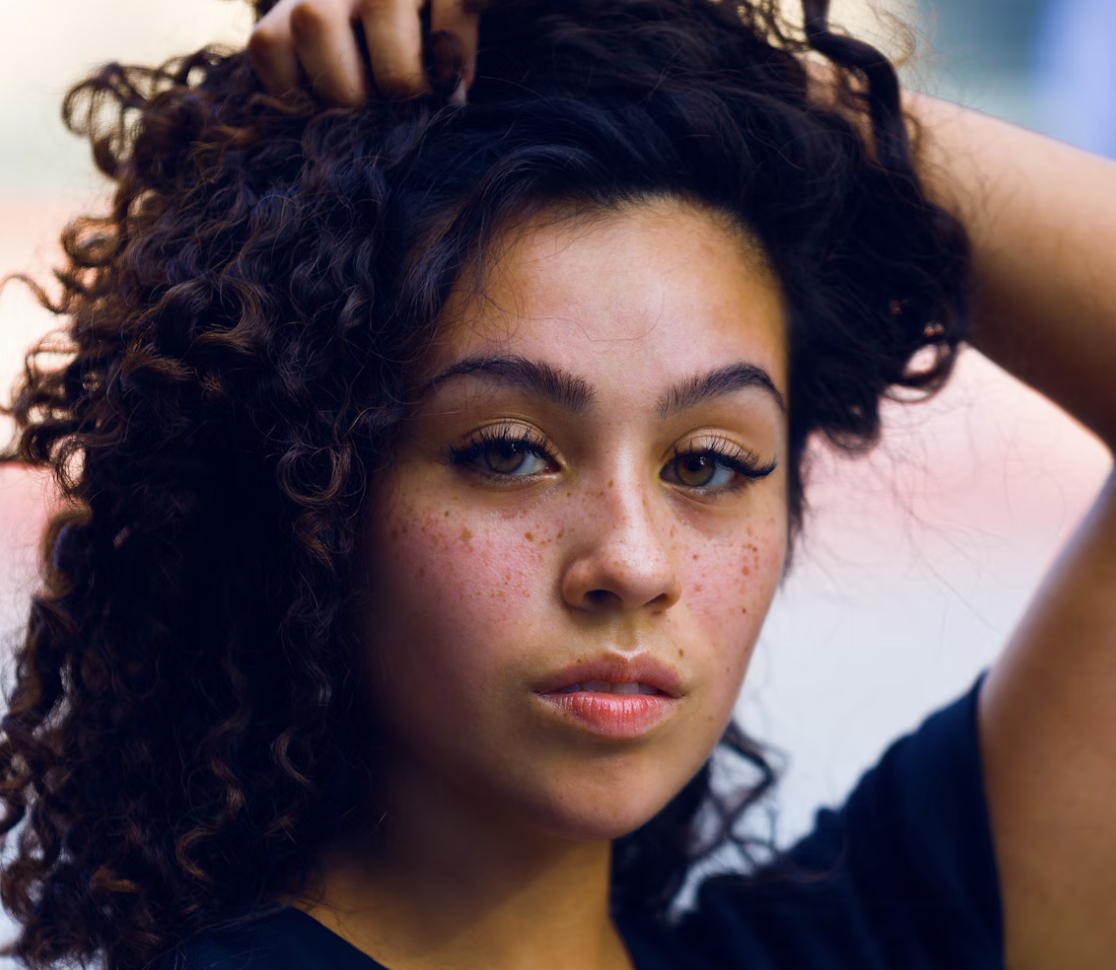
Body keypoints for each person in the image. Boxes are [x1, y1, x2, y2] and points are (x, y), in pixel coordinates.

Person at [1, 0, 1114, 968]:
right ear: (309, 497)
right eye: (508, 451)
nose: (632, 559)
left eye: (708, 464)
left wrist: (742, 75)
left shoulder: (855, 947)